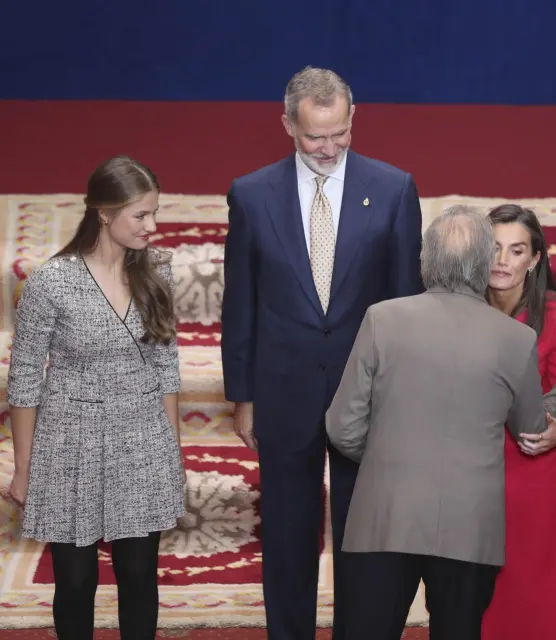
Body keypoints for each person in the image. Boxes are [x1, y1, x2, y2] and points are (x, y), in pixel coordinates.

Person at [220, 66, 424, 640]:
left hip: (368, 394)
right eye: (315, 136)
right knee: (287, 535)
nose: (329, 147)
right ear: (287, 125)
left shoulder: (393, 189)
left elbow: (407, 301)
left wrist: (401, 394)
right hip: (283, 393)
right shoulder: (251, 194)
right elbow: (240, 303)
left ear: (353, 120)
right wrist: (243, 395)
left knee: (362, 534)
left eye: (339, 133)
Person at [325, 205, 556, 640]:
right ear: (484, 260)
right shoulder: (514, 337)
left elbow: (342, 427)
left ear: (425, 259)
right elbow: (531, 429)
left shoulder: (381, 318)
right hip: (470, 525)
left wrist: (383, 461)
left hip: (386, 512)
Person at [6, 155, 185, 639]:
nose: (152, 225)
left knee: (138, 577)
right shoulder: (51, 282)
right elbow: (23, 382)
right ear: (104, 213)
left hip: (143, 442)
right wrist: (23, 469)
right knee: (76, 581)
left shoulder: (158, 274)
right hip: (69, 445)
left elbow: (167, 370)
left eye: (154, 213)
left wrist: (172, 452)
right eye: (141, 215)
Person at [480, 204, 556, 640]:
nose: (503, 260)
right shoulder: (459, 308)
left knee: (541, 597)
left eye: (516, 250)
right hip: (475, 468)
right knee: (482, 594)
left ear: (535, 259)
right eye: (494, 248)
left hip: (536, 468)